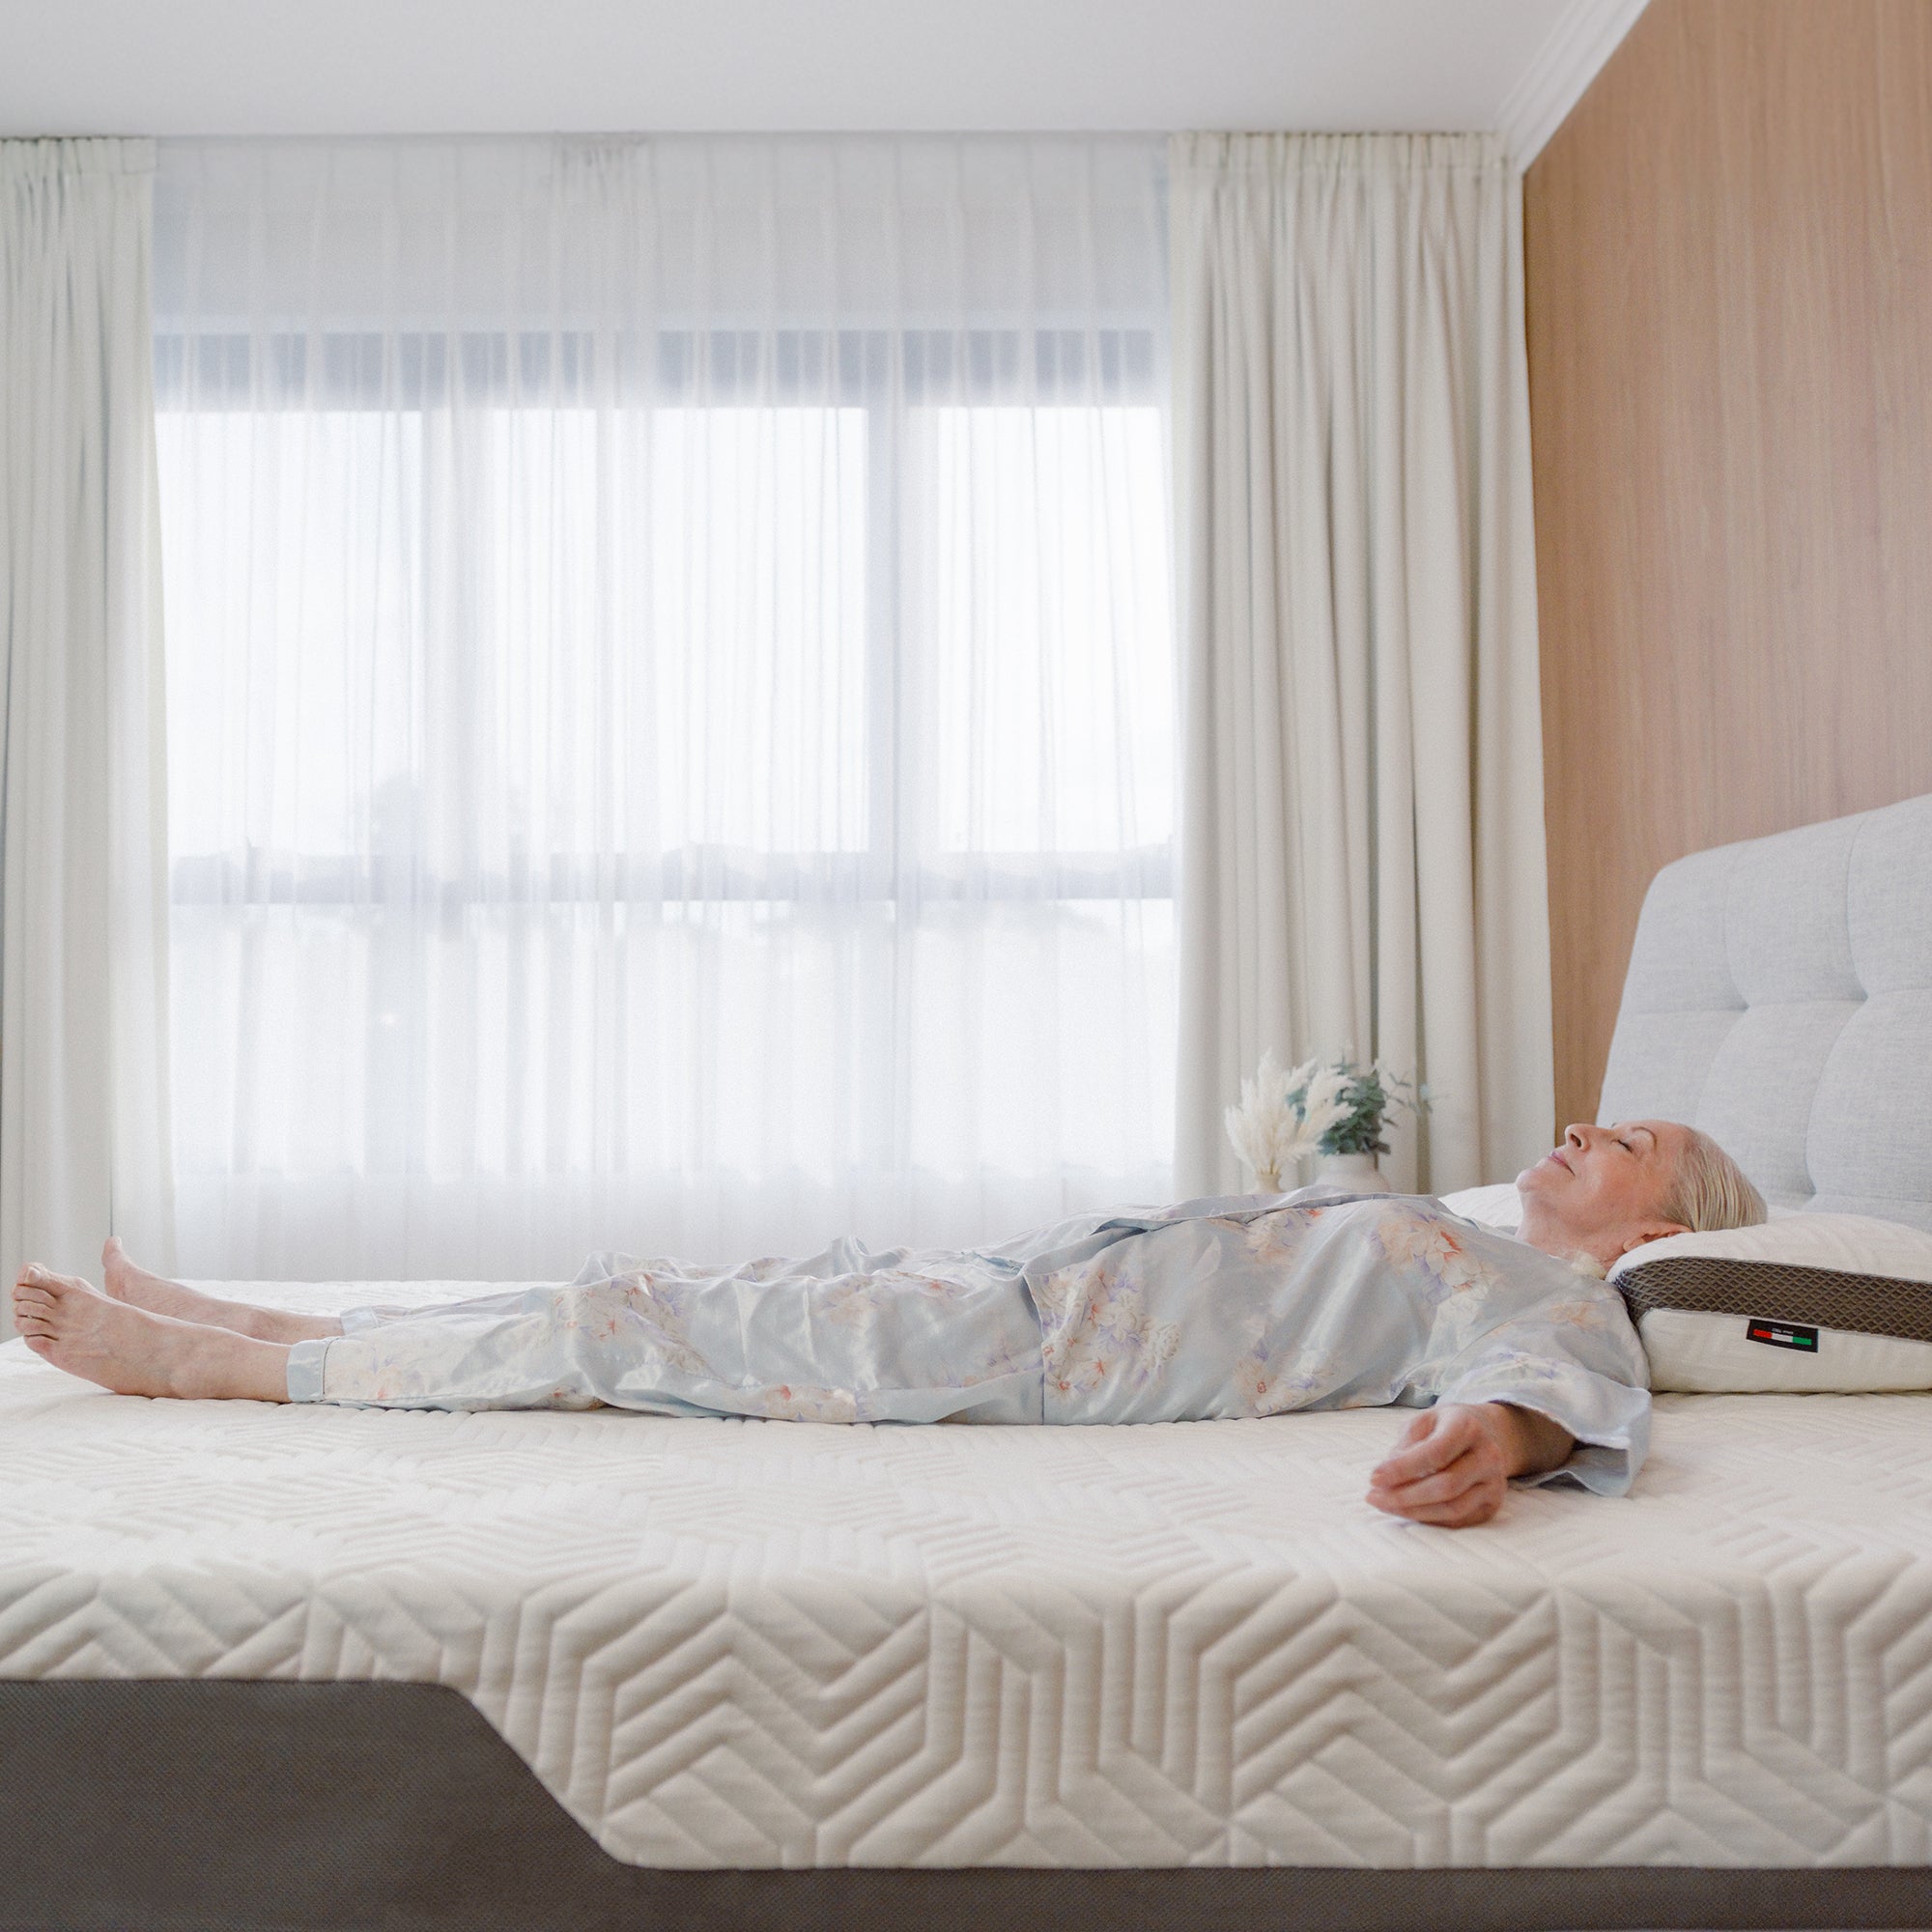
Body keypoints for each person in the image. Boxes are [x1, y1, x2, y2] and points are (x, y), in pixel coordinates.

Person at [12, 1120, 1765, 1529]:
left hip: (1005, 1361)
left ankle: (231, 1366)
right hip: (987, 1289)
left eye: (1636, 1141)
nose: (1590, 1126)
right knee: (636, 1291)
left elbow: (1557, 1382)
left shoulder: (1562, 1294)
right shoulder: (1453, 1215)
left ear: (1663, 1227)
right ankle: (278, 1315)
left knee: (630, 1327)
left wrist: (1500, 1444)